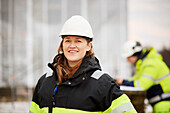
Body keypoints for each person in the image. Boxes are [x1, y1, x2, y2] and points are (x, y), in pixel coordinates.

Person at [29, 15, 137, 113]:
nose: (72, 46)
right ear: (62, 45)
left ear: (88, 46)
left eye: (78, 41)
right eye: (67, 41)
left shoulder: (102, 84)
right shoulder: (45, 82)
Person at [116, 40, 170, 113]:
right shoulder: (144, 64)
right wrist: (123, 81)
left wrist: (124, 82)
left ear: (134, 55)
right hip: (161, 102)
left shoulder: (150, 64)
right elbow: (136, 79)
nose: (127, 60)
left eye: (128, 57)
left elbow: (142, 85)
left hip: (164, 104)